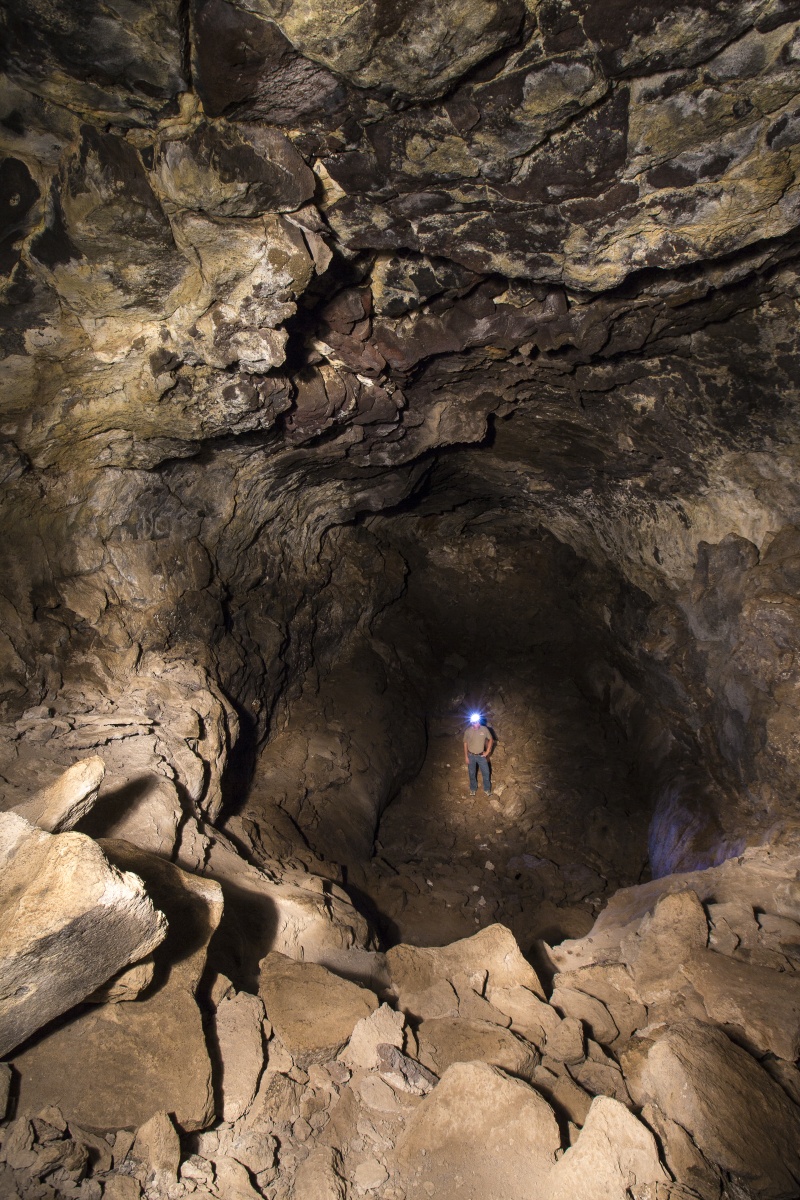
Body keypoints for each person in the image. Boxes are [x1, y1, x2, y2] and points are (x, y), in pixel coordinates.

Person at [463, 712, 494, 796]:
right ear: (471, 722)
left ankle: (487, 789)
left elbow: (491, 739)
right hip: (471, 755)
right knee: (472, 773)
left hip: (481, 755)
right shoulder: (468, 731)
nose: (475, 724)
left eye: (476, 722)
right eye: (473, 723)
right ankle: (473, 789)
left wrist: (487, 751)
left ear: (479, 721)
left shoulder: (484, 729)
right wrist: (466, 756)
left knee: (486, 773)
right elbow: (465, 743)